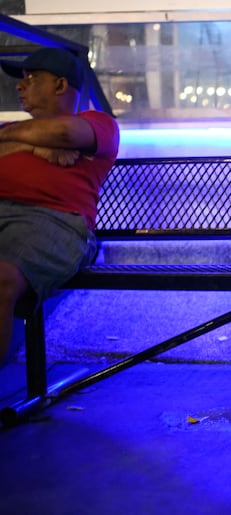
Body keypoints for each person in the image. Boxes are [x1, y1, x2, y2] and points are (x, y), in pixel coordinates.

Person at [0, 47, 120, 364]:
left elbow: (65, 132)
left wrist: (11, 139)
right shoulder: (19, 129)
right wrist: (32, 144)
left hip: (54, 222)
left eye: (31, 77)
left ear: (60, 85)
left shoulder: (98, 122)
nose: (19, 85)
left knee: (1, 278)